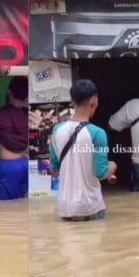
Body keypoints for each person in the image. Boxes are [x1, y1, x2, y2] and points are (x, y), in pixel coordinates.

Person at [50, 79, 117, 221]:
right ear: (95, 101)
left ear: (71, 101)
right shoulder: (97, 133)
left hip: (65, 209)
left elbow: (54, 169)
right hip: (90, 208)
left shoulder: (56, 131)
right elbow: (101, 173)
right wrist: (112, 166)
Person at [0, 77, 29, 200]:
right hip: (25, 164)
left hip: (7, 166)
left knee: (1, 208)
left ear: (9, 92)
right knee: (21, 205)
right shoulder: (29, 115)